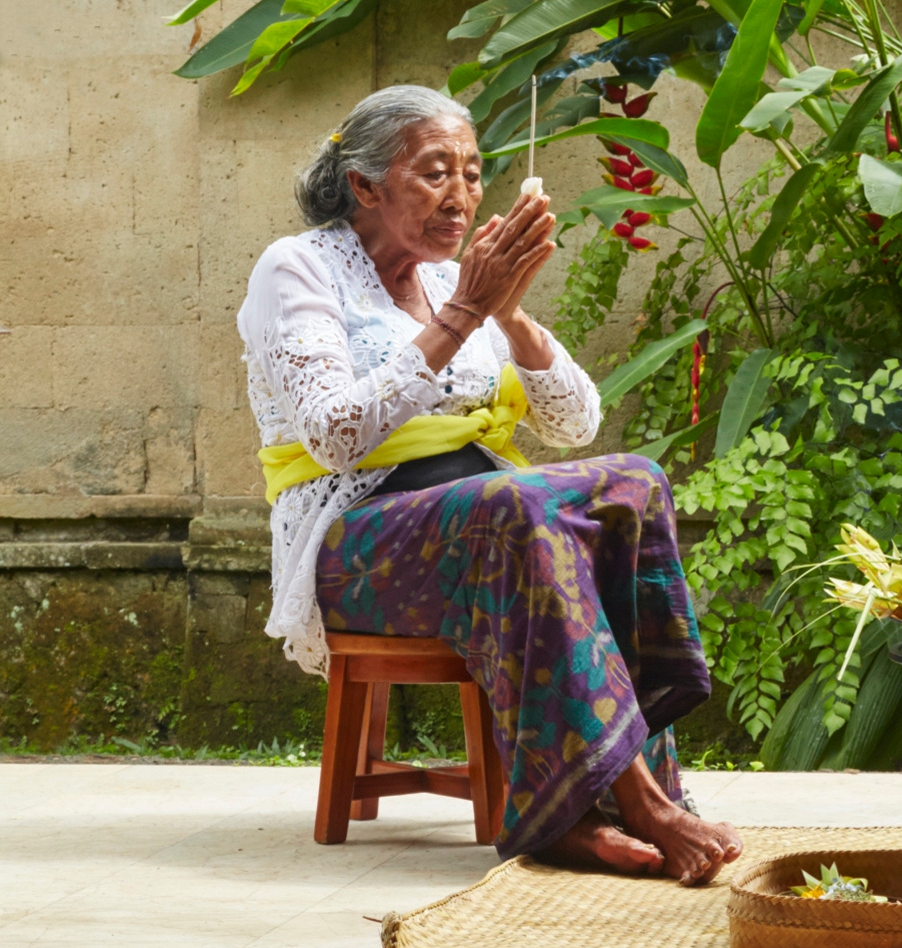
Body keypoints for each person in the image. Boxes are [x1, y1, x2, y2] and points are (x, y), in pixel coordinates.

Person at [238, 84, 740, 884]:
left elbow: (575, 423)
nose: (462, 196)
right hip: (356, 540)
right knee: (517, 506)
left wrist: (507, 312)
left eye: (472, 174)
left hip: (493, 530)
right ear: (365, 184)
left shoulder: (452, 281)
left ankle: (603, 802)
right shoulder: (297, 268)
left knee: (632, 482)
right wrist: (465, 312)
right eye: (435, 172)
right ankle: (631, 805)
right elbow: (333, 437)